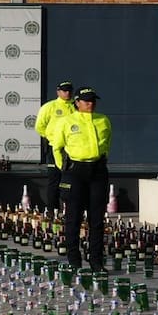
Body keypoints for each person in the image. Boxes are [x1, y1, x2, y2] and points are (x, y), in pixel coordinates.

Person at [50, 87, 112, 274]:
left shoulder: (103, 120)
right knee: (73, 218)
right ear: (77, 102)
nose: (90, 104)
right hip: (75, 171)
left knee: (97, 220)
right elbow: (56, 147)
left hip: (97, 171)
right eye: (86, 100)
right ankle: (74, 261)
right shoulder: (67, 122)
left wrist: (101, 159)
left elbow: (107, 143)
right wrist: (64, 168)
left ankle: (96, 262)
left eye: (93, 100)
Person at [35, 81, 75, 211]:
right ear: (58, 92)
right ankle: (52, 211)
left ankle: (71, 210)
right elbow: (39, 126)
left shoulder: (76, 106)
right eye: (64, 90)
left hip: (73, 149)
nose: (67, 93)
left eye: (69, 90)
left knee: (71, 181)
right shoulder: (50, 107)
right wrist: (52, 138)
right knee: (54, 180)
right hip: (55, 148)